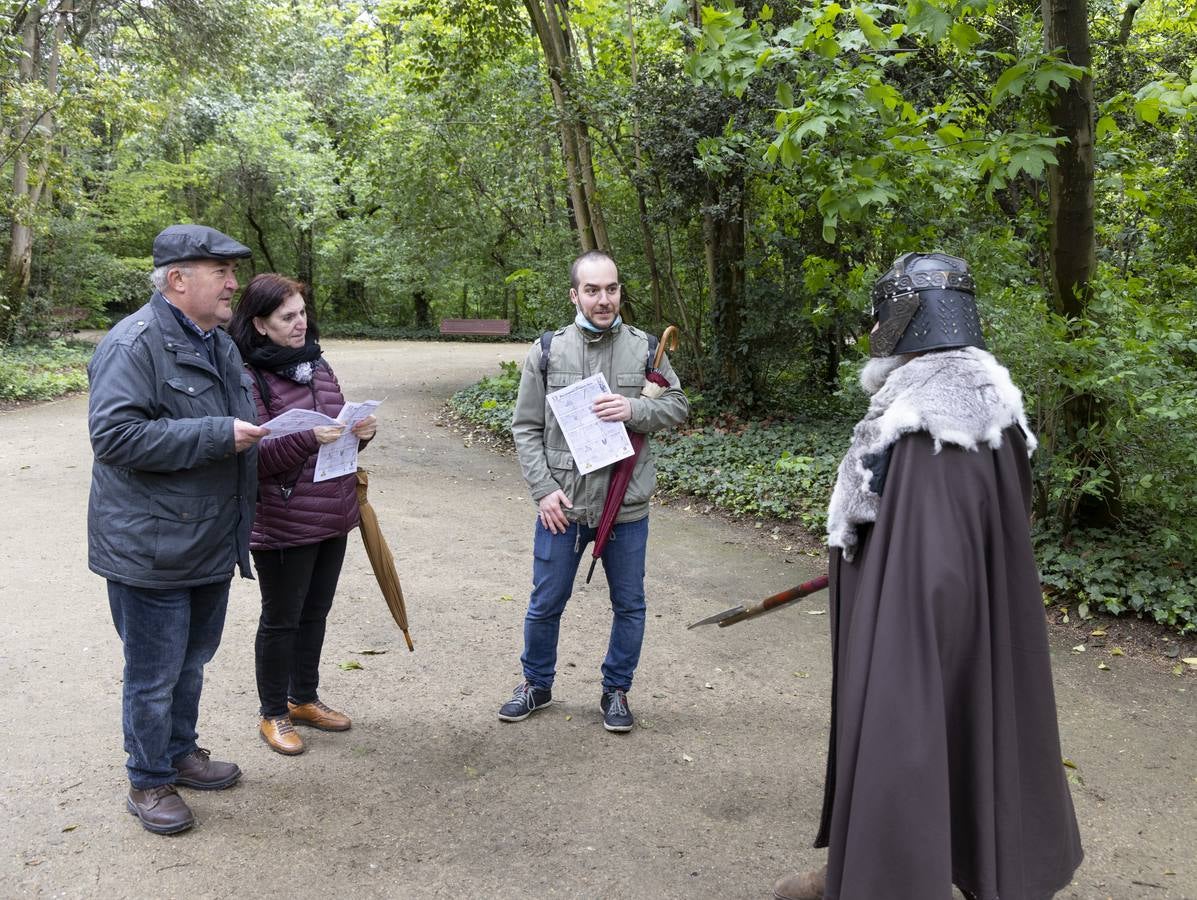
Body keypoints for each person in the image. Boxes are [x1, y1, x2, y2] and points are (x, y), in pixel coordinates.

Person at [772, 253, 1083, 900]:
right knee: (972, 729)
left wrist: (899, 650)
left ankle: (885, 879)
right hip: (949, 612)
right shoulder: (987, 399)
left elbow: (932, 566)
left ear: (899, 318)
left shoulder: (927, 423)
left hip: (914, 627)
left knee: (905, 735)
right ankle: (873, 866)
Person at [88, 224, 266, 835]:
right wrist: (218, 435)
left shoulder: (218, 342)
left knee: (192, 661)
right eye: (221, 272)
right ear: (177, 279)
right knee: (154, 671)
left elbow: (242, 422)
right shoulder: (133, 343)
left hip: (208, 539)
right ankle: (148, 779)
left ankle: (180, 752)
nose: (233, 283)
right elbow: (113, 438)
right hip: (151, 545)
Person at [499, 250, 689, 732]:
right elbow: (525, 428)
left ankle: (616, 690)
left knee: (630, 605)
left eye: (611, 289)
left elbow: (678, 406)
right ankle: (536, 684)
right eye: (592, 290)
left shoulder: (647, 349)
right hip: (562, 506)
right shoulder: (547, 350)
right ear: (574, 294)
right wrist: (543, 490)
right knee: (545, 603)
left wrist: (634, 410)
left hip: (625, 506)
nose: (603, 299)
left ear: (620, 291)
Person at [227, 274, 377, 756]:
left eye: (302, 313)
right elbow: (250, 459)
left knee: (316, 611)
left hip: (332, 508)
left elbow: (339, 428)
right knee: (281, 618)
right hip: (282, 517)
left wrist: (362, 431)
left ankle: (303, 698)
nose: (299, 323)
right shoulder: (245, 376)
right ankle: (272, 712)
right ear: (260, 324)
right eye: (287, 317)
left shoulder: (319, 365)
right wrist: (305, 439)